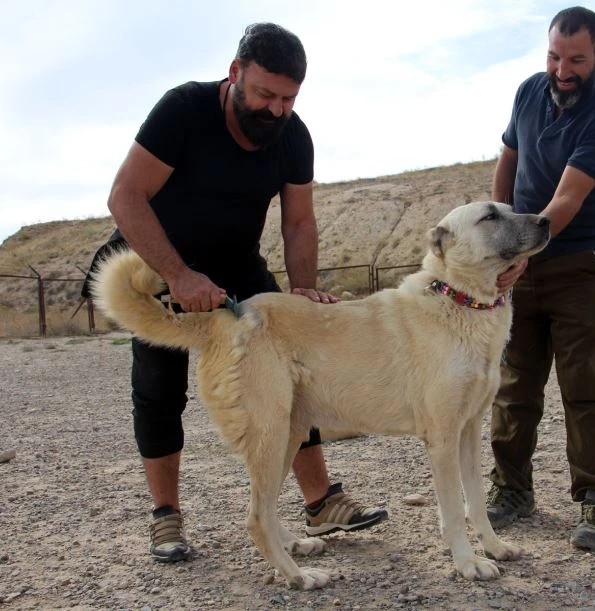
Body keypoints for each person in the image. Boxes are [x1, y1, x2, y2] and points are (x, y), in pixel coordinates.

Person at [83, 22, 387, 563]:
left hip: (236, 263)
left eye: (288, 99)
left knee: (294, 367)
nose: (275, 109)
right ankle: (166, 517)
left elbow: (298, 223)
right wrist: (177, 274)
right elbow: (125, 196)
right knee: (158, 386)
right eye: (265, 94)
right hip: (160, 259)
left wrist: (304, 290)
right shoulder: (183, 110)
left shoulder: (293, 135)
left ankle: (321, 504)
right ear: (235, 73)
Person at [486, 6, 595, 550]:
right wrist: (499, 231)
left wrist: (522, 249)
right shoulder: (528, 91)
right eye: (554, 55)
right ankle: (511, 490)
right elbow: (508, 158)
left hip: (578, 262)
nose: (562, 69)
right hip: (521, 256)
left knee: (582, 382)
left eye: (576, 59)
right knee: (515, 381)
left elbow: (568, 196)